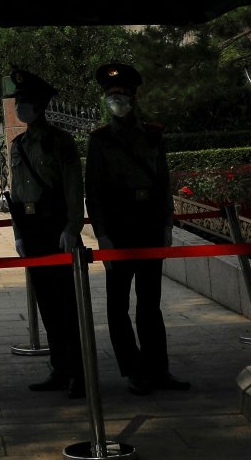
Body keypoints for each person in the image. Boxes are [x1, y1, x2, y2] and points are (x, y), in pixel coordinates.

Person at [85, 61, 191, 395]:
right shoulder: (99, 140)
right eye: (111, 94)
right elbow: (94, 191)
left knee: (150, 303)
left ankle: (158, 369)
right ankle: (133, 370)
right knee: (117, 306)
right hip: (117, 230)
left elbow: (163, 182)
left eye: (122, 94)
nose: (116, 99)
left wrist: (166, 222)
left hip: (147, 225)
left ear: (133, 97)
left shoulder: (154, 134)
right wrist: (101, 234)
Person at [6, 67, 86, 398]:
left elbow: (72, 187)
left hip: (56, 228)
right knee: (47, 304)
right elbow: (16, 190)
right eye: (18, 101)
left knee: (68, 304)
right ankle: (59, 368)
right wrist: (19, 233)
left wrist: (72, 227)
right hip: (32, 227)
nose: (19, 107)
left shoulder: (58, 142)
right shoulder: (18, 144)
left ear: (40, 105)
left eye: (25, 101)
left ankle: (80, 373)